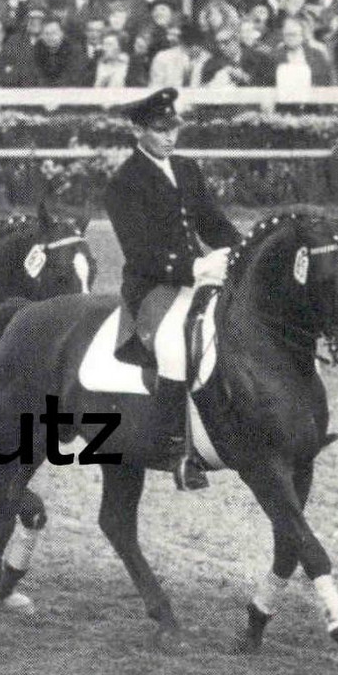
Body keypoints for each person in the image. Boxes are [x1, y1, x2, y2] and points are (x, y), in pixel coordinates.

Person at [104, 88, 242, 492]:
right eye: (161, 130)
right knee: (175, 345)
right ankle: (173, 449)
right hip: (153, 289)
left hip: (198, 274)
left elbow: (212, 223)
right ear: (140, 131)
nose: (170, 137)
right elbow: (141, 252)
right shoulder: (123, 184)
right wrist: (194, 266)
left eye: (173, 128)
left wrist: (239, 251)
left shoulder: (186, 170)